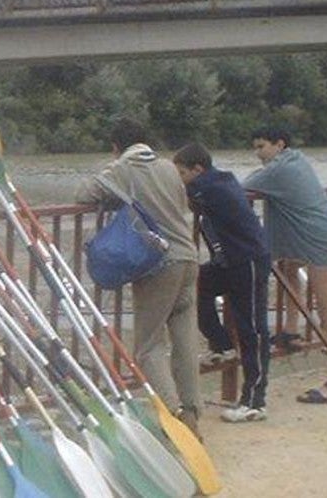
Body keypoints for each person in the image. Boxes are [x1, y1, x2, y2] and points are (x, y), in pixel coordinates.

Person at [76, 119, 202, 435]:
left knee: (148, 346)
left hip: (159, 264)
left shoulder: (123, 168)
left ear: (116, 147)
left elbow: (84, 194)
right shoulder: (170, 168)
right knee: (185, 339)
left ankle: (175, 416)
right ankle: (193, 409)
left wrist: (114, 176)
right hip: (189, 257)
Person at [243, 127, 327, 405]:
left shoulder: (279, 170)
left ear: (279, 144)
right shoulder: (295, 160)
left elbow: (242, 185)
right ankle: (290, 331)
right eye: (254, 148)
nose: (258, 154)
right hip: (320, 234)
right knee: (290, 270)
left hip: (321, 241)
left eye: (261, 147)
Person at [173, 143, 272, 423]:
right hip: (226, 262)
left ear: (198, 170)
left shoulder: (210, 187)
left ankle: (255, 401)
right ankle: (221, 345)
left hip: (248, 260)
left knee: (252, 328)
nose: (178, 178)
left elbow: (175, 194)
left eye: (181, 173)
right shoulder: (218, 181)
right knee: (195, 286)